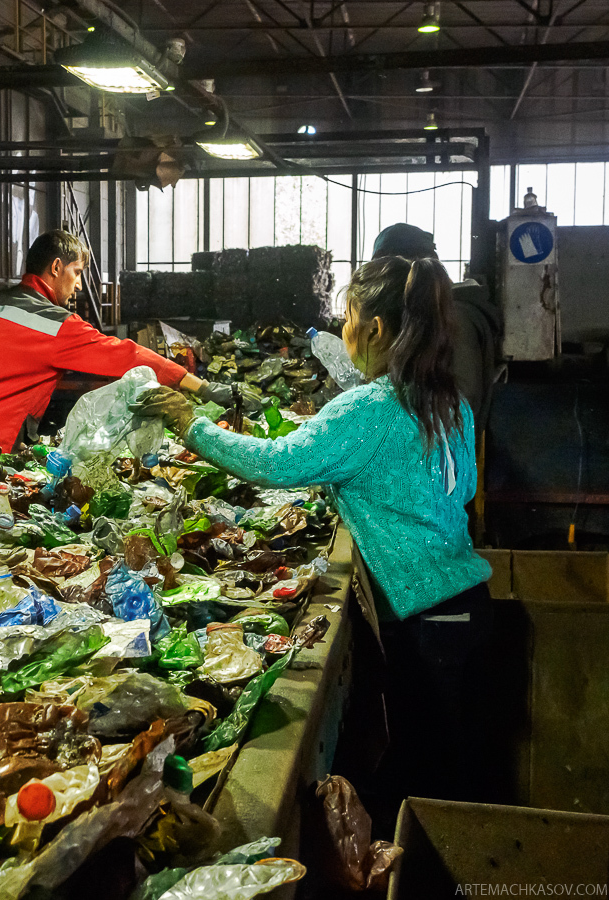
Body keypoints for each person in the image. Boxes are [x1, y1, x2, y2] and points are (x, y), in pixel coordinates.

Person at [136, 256, 493, 811]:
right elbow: (462, 488)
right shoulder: (450, 402)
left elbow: (278, 463)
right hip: (468, 603)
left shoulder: (370, 407)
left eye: (348, 315)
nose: (342, 328)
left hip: (424, 620)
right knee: (454, 759)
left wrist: (192, 424)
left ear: (373, 327)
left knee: (431, 777)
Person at [0, 229, 215, 480]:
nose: (79, 285)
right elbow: (127, 355)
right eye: (77, 273)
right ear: (57, 267)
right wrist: (200, 385)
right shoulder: (55, 324)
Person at [371, 223, 502, 435]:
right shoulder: (446, 312)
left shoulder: (456, 316)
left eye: (390, 277)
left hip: (444, 458)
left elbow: (459, 406)